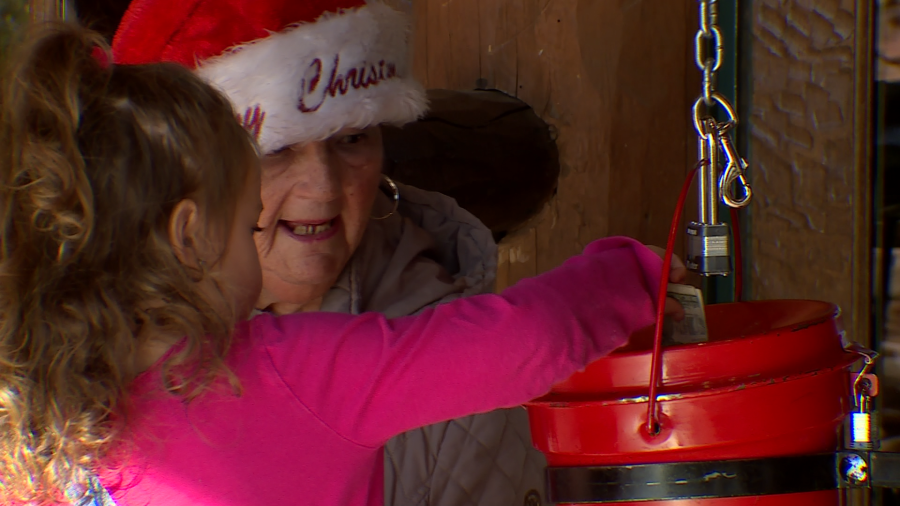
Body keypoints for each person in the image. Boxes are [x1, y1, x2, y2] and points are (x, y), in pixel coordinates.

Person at [0, 23, 684, 506]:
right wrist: (635, 274)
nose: (322, 189)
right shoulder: (290, 372)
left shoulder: (43, 412)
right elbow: (527, 340)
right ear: (189, 238)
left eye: (353, 139)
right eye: (246, 224)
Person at [105, 0, 568, 504]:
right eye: (276, 148)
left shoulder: (446, 360)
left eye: (351, 138)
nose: (323, 187)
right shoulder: (77, 340)